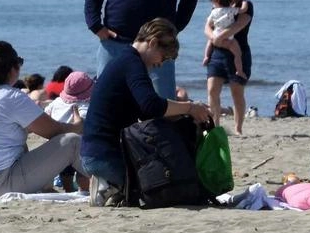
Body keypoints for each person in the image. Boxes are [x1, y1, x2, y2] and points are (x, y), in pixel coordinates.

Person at [82, 18, 212, 206]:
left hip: (96, 153)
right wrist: (189, 107)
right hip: (105, 156)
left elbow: (147, 111)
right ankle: (110, 187)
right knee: (163, 188)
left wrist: (186, 113)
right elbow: (151, 105)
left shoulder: (126, 60)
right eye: (163, 57)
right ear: (152, 43)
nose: (160, 64)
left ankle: (114, 187)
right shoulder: (132, 64)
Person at [0, 41, 86, 198]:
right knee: (72, 142)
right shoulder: (12, 96)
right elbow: (55, 132)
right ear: (12, 69)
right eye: (19, 64)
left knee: (20, 146)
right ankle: (113, 182)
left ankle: (45, 187)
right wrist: (77, 125)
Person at [205, 0, 254, 135]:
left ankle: (238, 128)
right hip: (217, 53)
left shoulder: (245, 6)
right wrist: (213, 38)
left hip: (237, 52)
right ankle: (215, 125)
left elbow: (238, 26)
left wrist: (219, 37)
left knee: (236, 91)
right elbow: (207, 26)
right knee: (212, 89)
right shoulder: (218, 5)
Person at [202, 0, 246, 79]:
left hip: (216, 34)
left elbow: (209, 23)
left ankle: (206, 56)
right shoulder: (231, 10)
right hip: (228, 36)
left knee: (209, 41)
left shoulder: (214, 11)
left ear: (216, 1)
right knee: (237, 54)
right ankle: (239, 71)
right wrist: (245, 2)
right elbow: (243, 10)